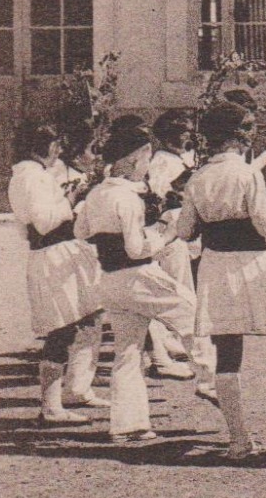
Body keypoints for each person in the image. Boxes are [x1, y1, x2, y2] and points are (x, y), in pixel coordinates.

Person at [176, 103, 266, 460]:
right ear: (240, 134)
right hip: (250, 260)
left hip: (215, 267)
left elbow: (184, 231)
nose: (253, 133)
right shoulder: (246, 174)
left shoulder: (198, 177)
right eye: (250, 127)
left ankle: (239, 440)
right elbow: (265, 224)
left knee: (227, 354)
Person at [73, 122, 198, 444]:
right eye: (146, 160)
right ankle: (213, 379)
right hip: (138, 274)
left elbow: (81, 233)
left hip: (111, 281)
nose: (147, 168)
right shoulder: (126, 198)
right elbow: (136, 248)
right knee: (195, 314)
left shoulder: (97, 193)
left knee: (127, 353)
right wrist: (165, 233)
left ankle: (128, 425)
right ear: (132, 160)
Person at [9, 122, 106, 425]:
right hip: (51, 255)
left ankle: (75, 389)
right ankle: (51, 406)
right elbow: (43, 223)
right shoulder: (31, 177)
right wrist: (73, 198)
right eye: (56, 145)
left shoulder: (35, 175)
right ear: (45, 147)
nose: (60, 152)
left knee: (84, 319)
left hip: (62, 251)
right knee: (60, 330)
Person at [141, 111, 200, 379]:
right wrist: (177, 188)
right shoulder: (163, 161)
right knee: (173, 286)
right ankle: (165, 343)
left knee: (182, 283)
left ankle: (170, 339)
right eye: (181, 132)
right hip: (167, 229)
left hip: (180, 230)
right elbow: (159, 193)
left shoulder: (181, 158)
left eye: (188, 131)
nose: (186, 136)